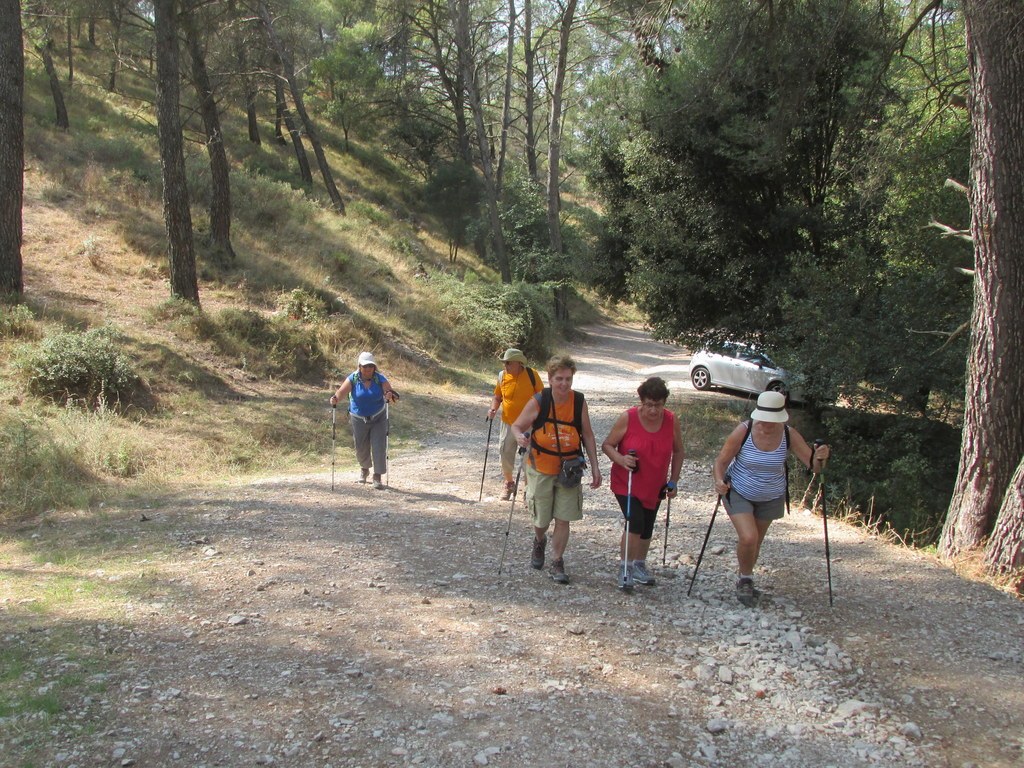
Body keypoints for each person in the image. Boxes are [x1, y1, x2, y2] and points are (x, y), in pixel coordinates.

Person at [712, 390, 830, 606]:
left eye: (772, 420)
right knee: (748, 537)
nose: (767, 424)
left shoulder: (788, 434)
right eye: (764, 419)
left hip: (772, 495)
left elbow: (813, 467)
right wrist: (719, 481)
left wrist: (821, 457)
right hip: (738, 489)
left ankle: (745, 576)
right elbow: (721, 461)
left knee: (756, 541)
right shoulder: (744, 431)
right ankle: (745, 580)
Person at [511, 355, 602, 584]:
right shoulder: (540, 400)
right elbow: (517, 426)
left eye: (568, 379)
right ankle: (539, 540)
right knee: (541, 518)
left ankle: (557, 561)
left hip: (569, 469)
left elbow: (588, 435)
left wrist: (595, 466)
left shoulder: (578, 402)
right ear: (550, 379)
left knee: (563, 518)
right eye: (559, 379)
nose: (564, 384)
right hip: (541, 467)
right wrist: (519, 438)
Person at [601, 376, 684, 589]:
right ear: (641, 401)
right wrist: (621, 459)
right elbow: (608, 445)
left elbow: (678, 450)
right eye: (649, 404)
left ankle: (639, 564)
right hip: (626, 481)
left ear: (664, 402)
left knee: (647, 525)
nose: (654, 410)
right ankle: (625, 567)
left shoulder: (671, 420)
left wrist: (673, 480)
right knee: (635, 522)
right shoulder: (628, 418)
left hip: (655, 483)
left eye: (658, 405)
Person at [329, 352, 399, 490]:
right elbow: (341, 393)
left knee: (379, 445)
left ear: (374, 367)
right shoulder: (353, 379)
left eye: (370, 366)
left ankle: (377, 476)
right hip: (358, 418)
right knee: (361, 447)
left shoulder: (380, 379)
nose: (368, 369)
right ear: (359, 367)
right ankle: (364, 468)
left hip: (378, 417)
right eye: (365, 366)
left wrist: (389, 395)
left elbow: (392, 396)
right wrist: (335, 399)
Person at [487, 348, 543, 500]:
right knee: (504, 453)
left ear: (519, 363)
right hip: (508, 423)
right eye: (504, 362)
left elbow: (542, 398)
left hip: (529, 424)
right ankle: (509, 483)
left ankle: (527, 490)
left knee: (529, 458)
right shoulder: (502, 376)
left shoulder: (532, 375)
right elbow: (497, 397)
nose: (505, 365)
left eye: (508, 363)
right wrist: (493, 409)